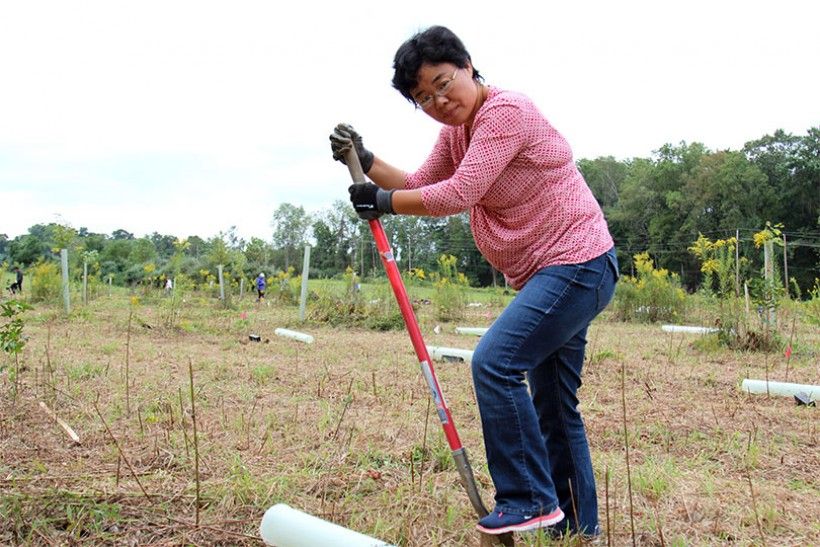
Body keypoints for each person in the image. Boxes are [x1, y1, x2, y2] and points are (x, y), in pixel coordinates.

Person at [329, 26, 618, 538]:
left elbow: (458, 193)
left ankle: (528, 498)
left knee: (496, 362)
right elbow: (422, 185)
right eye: (423, 98)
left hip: (579, 263)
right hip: (548, 275)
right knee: (553, 407)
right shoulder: (456, 132)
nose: (439, 101)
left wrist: (381, 201)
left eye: (443, 83)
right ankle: (576, 527)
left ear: (467, 65)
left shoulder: (506, 112)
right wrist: (366, 161)